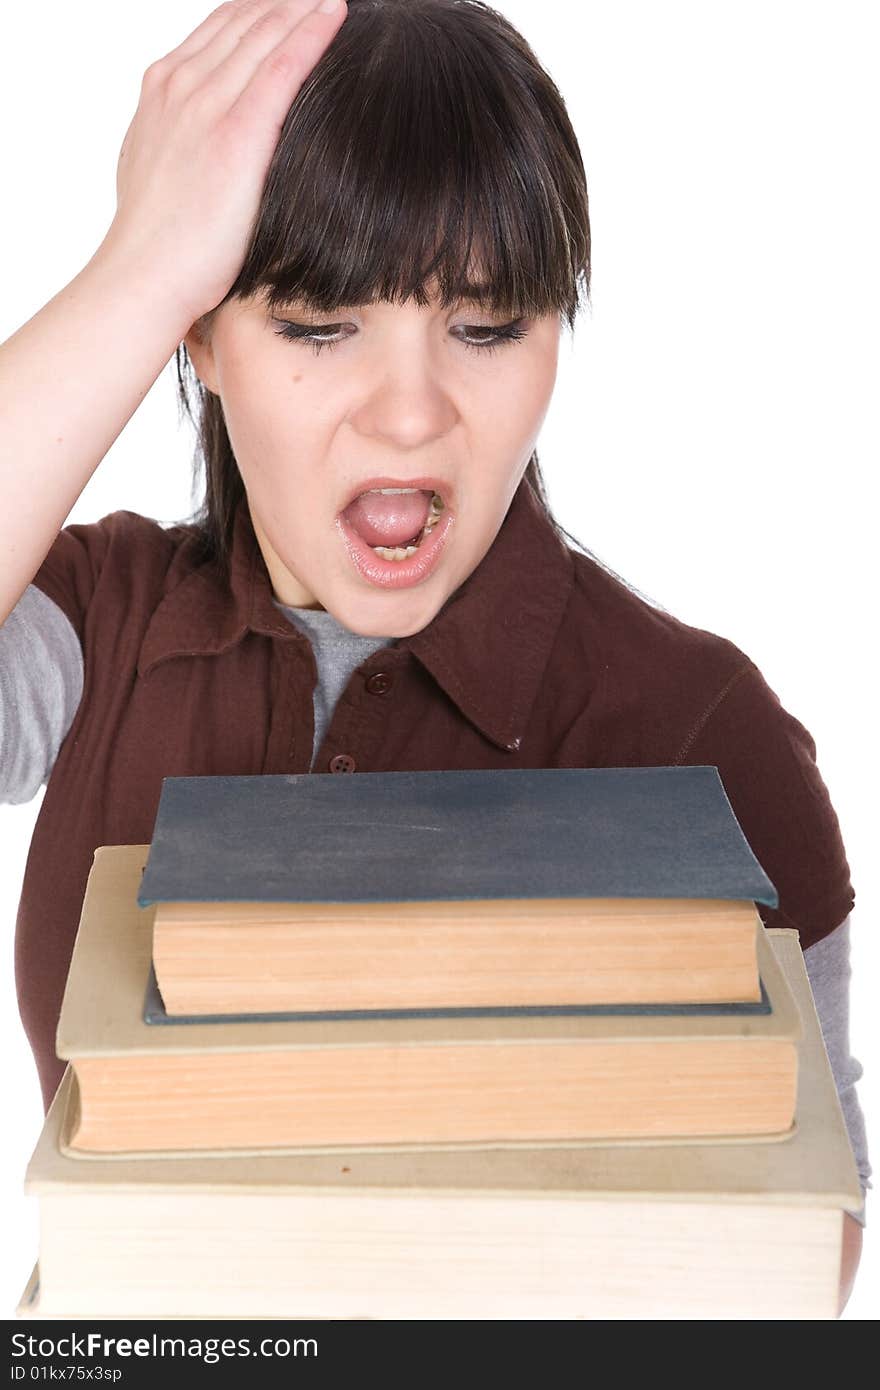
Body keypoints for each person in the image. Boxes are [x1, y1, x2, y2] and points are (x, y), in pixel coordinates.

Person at [0, 0, 869, 1314]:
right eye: (316, 324)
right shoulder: (93, 615)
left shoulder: (706, 726)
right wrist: (136, 265)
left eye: (485, 325)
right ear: (197, 333)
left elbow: (803, 1241)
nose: (410, 414)